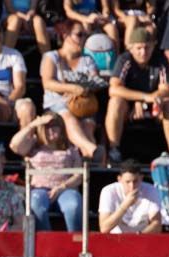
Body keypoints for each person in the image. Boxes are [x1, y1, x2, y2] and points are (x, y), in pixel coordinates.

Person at [106, 28, 169, 163]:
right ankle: (114, 149)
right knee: (115, 102)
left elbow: (167, 89)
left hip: (155, 105)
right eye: (139, 48)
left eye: (147, 47)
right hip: (128, 107)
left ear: (153, 46)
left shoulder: (160, 60)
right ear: (131, 48)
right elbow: (114, 89)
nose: (143, 52)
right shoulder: (125, 60)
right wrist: (143, 98)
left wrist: (149, 101)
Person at [36, 20, 104, 160]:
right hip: (57, 103)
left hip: (82, 104)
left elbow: (96, 81)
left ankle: (88, 161)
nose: (83, 39)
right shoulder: (51, 57)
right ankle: (91, 150)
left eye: (85, 35)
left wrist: (85, 88)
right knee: (68, 117)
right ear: (65, 35)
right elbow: (48, 83)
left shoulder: (87, 60)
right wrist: (72, 88)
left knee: (88, 125)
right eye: (79, 35)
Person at [10, 112, 84, 232]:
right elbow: (14, 145)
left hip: (65, 189)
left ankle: (75, 243)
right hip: (39, 189)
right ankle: (46, 242)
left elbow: (79, 176)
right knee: (35, 205)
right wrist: (33, 124)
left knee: (73, 206)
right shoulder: (32, 146)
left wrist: (61, 187)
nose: (51, 130)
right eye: (47, 126)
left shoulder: (71, 149)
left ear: (62, 128)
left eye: (55, 126)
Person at [98, 161, 164, 233]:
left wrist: (138, 236)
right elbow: (104, 228)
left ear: (141, 178)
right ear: (119, 179)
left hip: (142, 238)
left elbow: (157, 225)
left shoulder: (151, 190)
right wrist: (125, 206)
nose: (132, 186)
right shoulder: (109, 191)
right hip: (116, 239)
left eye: (135, 181)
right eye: (127, 182)